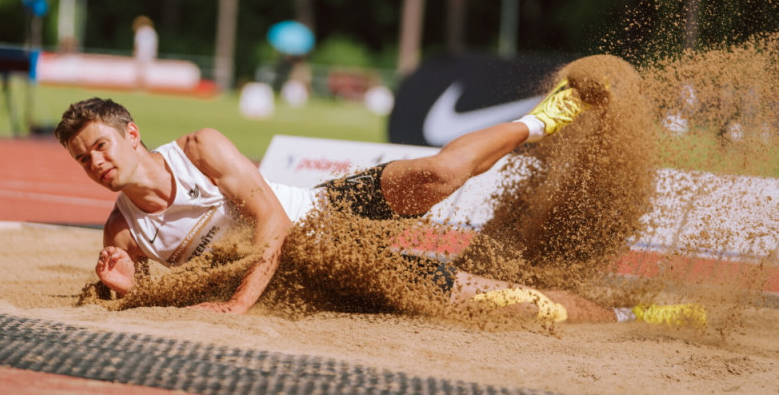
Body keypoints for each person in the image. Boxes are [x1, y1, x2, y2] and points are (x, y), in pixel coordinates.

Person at [54, 62, 706, 327]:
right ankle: (627, 318)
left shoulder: (200, 149)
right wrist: (119, 289)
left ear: (132, 134)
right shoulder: (123, 232)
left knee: (439, 176)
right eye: (84, 160)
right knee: (496, 303)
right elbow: (133, 296)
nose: (96, 164)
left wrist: (237, 305)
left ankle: (547, 117)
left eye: (101, 147)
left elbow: (274, 224)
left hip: (323, 215)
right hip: (332, 272)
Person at [132, 15, 158, 89]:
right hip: (149, 54)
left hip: (140, 53)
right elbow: (154, 44)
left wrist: (135, 53)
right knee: (146, 71)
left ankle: (137, 86)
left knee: (139, 71)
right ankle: (145, 87)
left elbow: (137, 43)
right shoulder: (152, 32)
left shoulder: (140, 31)